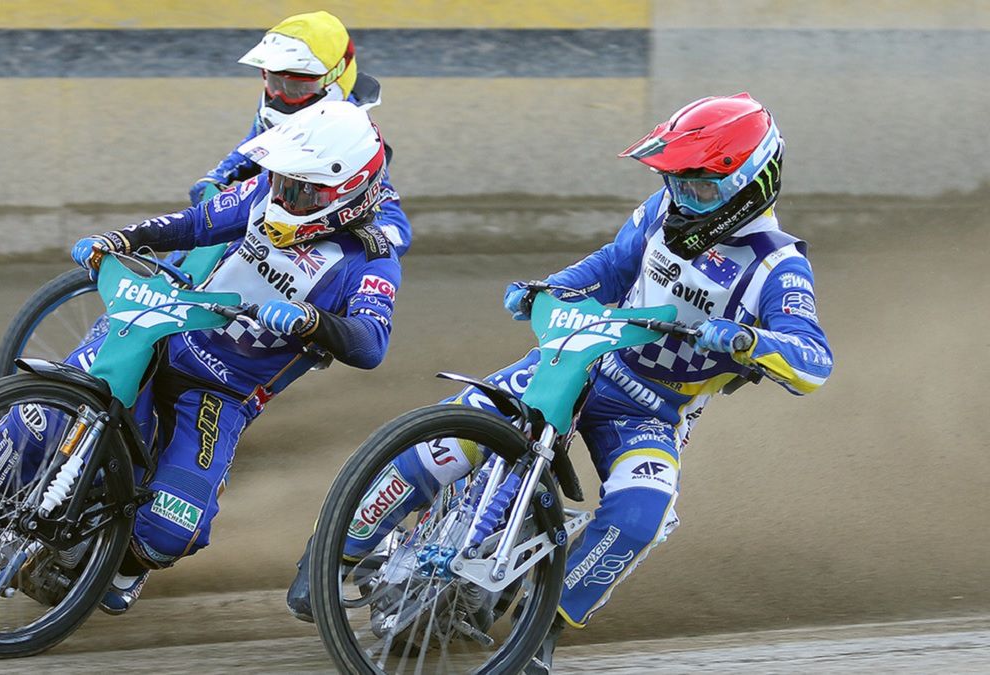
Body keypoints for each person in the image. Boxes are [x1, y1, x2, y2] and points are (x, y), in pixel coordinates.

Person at [285, 93, 833, 672]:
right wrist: (548, 287)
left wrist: (750, 342)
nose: (683, 197)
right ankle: (332, 556)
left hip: (649, 415)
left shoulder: (779, 266)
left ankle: (539, 628)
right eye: (677, 181)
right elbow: (612, 266)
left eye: (700, 186)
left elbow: (813, 360)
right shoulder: (659, 211)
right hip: (583, 358)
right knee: (452, 435)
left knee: (642, 515)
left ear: (753, 184)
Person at [0, 101, 403, 615]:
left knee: (174, 528)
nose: (283, 193)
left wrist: (312, 321)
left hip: (221, 392)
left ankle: (124, 567)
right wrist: (123, 238)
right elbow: (194, 224)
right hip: (160, 326)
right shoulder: (263, 193)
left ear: (347, 195)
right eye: (282, 179)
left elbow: (371, 344)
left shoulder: (371, 260)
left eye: (300, 188)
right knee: (45, 415)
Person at [187, 10, 412, 257]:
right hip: (265, 223)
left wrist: (368, 244)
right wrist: (219, 175)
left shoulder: (354, 139)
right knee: (190, 246)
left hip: (304, 252)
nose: (282, 96)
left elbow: (396, 227)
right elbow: (256, 144)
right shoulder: (272, 111)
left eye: (296, 87)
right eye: (276, 83)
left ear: (334, 78)